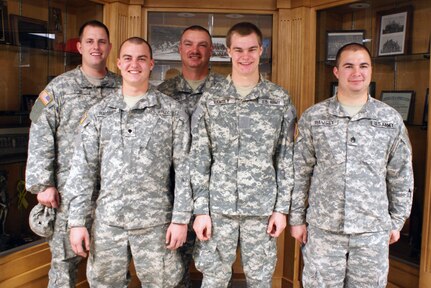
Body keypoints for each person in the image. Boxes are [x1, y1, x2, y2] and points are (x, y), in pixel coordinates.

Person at [67, 37, 191, 287]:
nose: (134, 64)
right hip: (108, 223)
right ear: (119, 64)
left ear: (151, 64)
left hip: (156, 224)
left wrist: (180, 220)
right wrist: (77, 222)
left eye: (141, 58)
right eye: (128, 58)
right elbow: (82, 170)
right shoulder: (98, 113)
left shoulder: (171, 112)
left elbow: (185, 170)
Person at [289, 43, 414, 287]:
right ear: (336, 72)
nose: (356, 72)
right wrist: (296, 219)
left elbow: (401, 174)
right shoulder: (315, 117)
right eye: (348, 66)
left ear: (371, 70)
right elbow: (299, 172)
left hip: (372, 231)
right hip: (324, 230)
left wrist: (397, 221)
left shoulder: (389, 119)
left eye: (363, 65)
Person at [190, 22, 296, 287]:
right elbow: (200, 157)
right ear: (228, 51)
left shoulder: (278, 99)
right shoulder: (211, 99)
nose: (245, 56)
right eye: (238, 49)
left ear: (261, 50)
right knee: (213, 278)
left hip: (261, 209)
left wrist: (281, 209)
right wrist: (201, 210)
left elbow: (285, 158)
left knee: (260, 280)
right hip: (218, 209)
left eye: (251, 49)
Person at [25, 20, 120, 287]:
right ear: (79, 46)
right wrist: (43, 184)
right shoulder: (57, 88)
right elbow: (39, 131)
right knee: (64, 262)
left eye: (101, 41)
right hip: (69, 192)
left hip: (111, 193)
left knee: (108, 265)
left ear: (109, 47)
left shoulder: (122, 87)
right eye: (90, 41)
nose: (96, 47)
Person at [158, 25, 225, 288]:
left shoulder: (224, 90)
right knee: (173, 266)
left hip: (214, 192)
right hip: (172, 192)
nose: (194, 51)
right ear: (179, 49)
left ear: (211, 50)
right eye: (188, 44)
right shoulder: (163, 92)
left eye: (201, 45)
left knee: (215, 267)